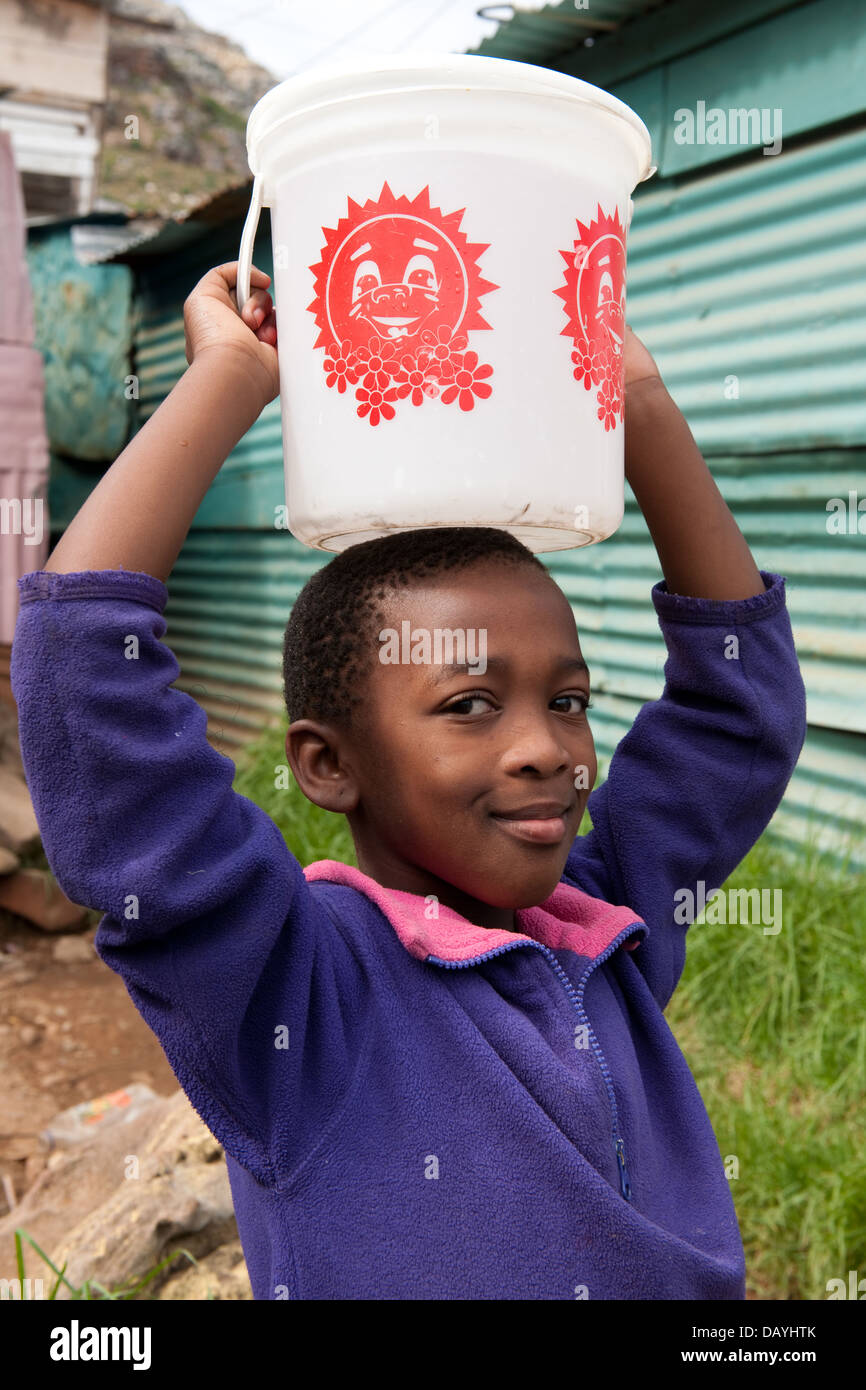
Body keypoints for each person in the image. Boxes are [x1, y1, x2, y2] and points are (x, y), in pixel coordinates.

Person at [10, 262, 806, 1300]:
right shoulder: (292, 991)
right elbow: (82, 673)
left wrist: (638, 406)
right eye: (469, 705)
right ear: (328, 765)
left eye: (566, 700)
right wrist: (231, 376)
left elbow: (735, 710)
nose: (543, 748)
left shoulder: (606, 923)